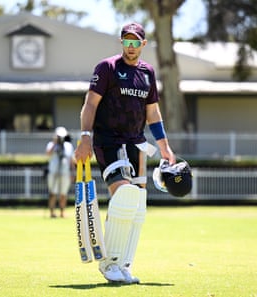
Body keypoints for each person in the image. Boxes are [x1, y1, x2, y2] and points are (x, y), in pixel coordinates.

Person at [74, 22, 176, 284]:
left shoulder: (148, 73)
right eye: (126, 42)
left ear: (143, 44)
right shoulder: (107, 68)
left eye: (136, 42)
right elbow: (90, 104)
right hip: (109, 141)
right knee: (124, 196)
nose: (131, 47)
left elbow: (152, 112)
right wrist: (85, 136)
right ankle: (109, 264)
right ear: (122, 43)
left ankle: (124, 264)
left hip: (136, 143)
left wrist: (164, 145)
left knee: (137, 207)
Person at [46, 126, 74, 218]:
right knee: (53, 192)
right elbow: (48, 154)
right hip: (53, 172)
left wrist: (72, 173)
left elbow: (71, 161)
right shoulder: (51, 145)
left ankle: (62, 212)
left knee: (63, 193)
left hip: (65, 173)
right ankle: (52, 212)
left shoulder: (68, 146)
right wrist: (55, 143)